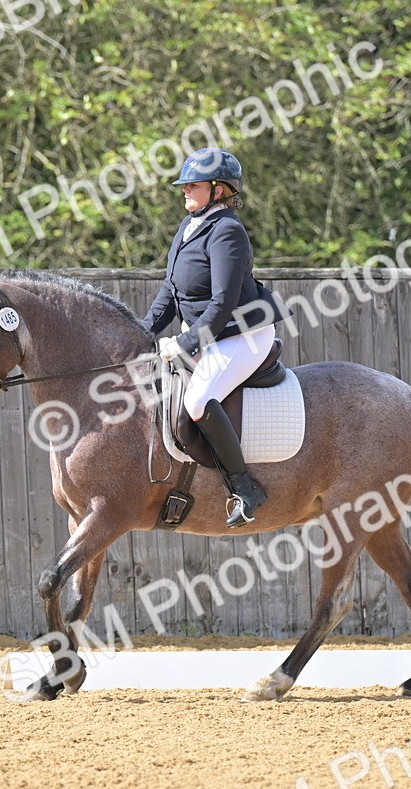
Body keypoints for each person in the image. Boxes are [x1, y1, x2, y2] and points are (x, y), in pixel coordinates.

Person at [141, 148, 290, 528]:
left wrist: (187, 342)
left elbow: (223, 303)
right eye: (184, 184)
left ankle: (245, 488)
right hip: (211, 333)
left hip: (245, 332)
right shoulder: (188, 227)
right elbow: (169, 294)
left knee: (197, 400)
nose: (185, 190)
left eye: (193, 184)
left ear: (219, 190)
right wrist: (141, 335)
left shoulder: (227, 231)